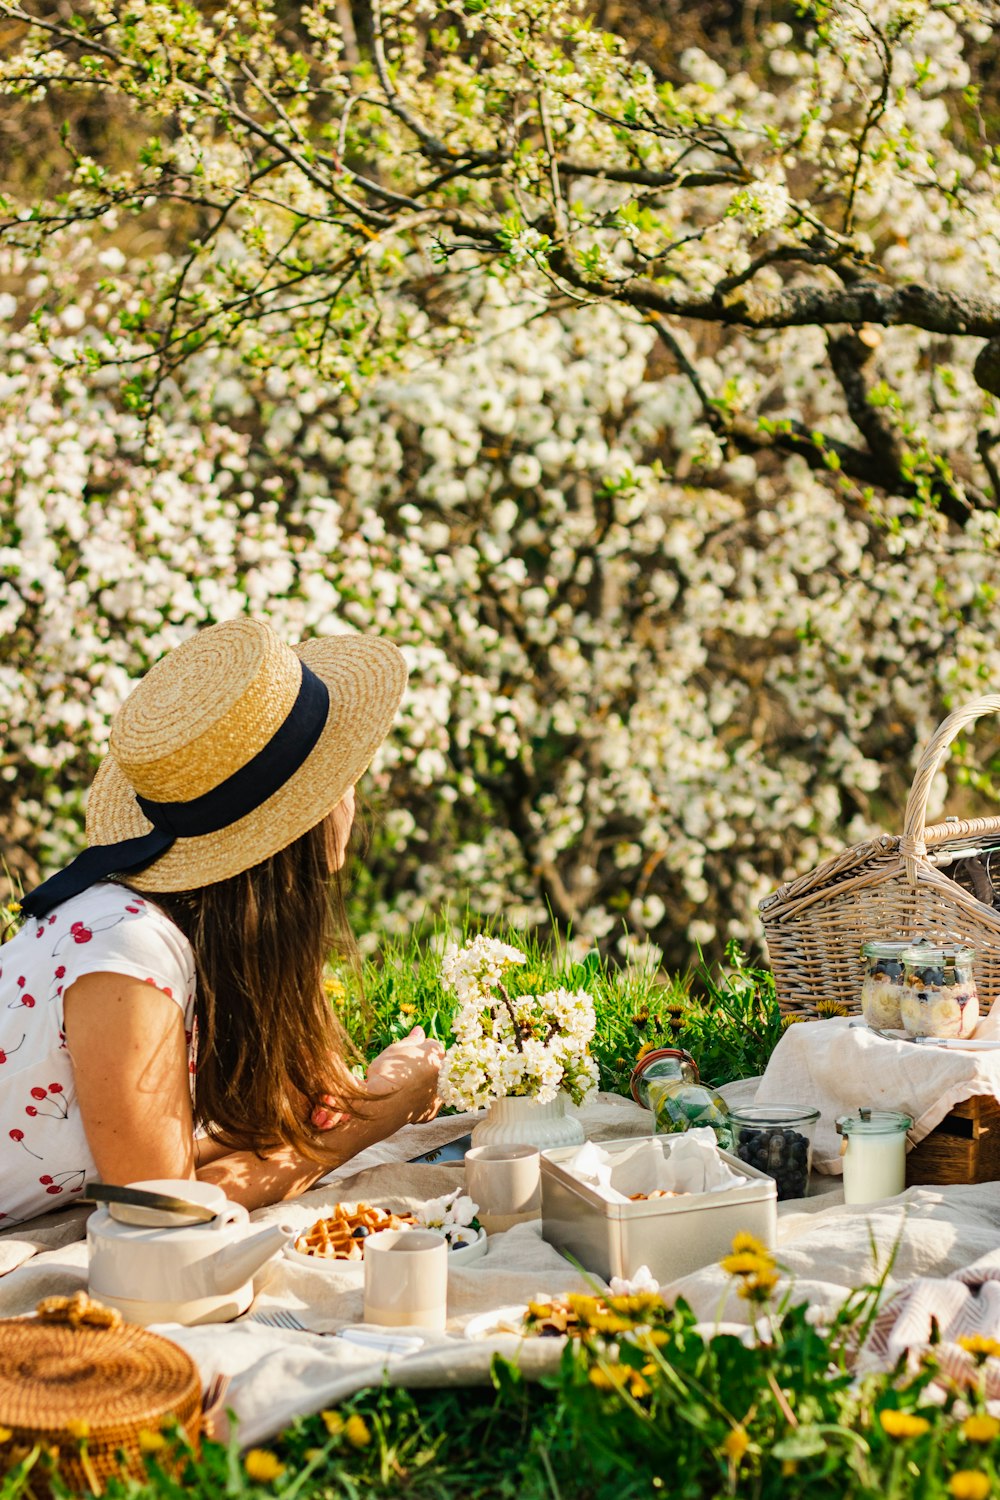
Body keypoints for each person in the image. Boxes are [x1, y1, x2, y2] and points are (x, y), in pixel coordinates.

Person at [0, 618, 444, 1223]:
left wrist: (320, 1110)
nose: (351, 799)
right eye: (340, 779)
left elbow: (177, 1157)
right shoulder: (126, 950)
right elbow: (162, 1212)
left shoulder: (206, 936)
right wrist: (382, 1110)